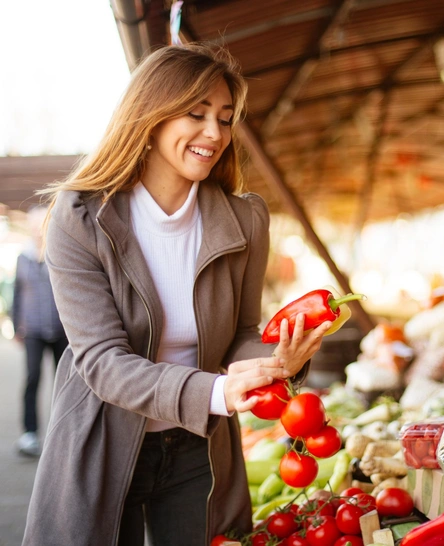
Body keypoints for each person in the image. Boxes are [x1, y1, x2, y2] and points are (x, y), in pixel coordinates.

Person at [23, 44, 331, 546]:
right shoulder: (81, 218)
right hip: (103, 441)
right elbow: (101, 360)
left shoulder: (245, 220)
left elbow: (242, 336)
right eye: (197, 113)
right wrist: (215, 392)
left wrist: (280, 358)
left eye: (226, 118)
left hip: (200, 448)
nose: (215, 133)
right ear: (151, 115)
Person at [11, 206, 68, 457]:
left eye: (40, 224)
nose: (37, 229)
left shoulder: (60, 251)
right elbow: (17, 293)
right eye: (33, 224)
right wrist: (16, 327)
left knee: (64, 382)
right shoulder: (22, 257)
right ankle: (30, 433)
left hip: (61, 328)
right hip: (32, 329)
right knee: (33, 378)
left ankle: (64, 432)